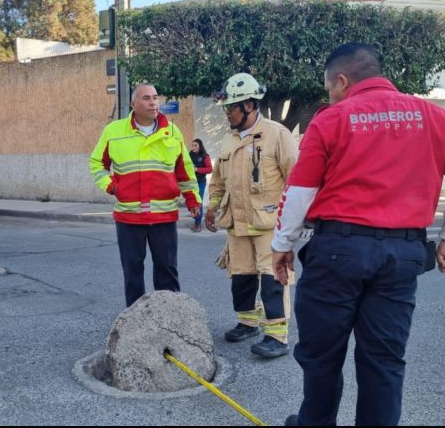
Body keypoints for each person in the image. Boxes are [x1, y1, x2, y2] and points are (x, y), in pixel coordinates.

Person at [272, 43, 445, 426]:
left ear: (342, 79)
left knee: (321, 357)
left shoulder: (332, 119)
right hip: (402, 254)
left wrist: (282, 245)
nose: (331, 96)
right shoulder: (433, 117)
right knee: (384, 360)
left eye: (330, 88)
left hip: (337, 251)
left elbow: (300, 191)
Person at [205, 73, 298, 358]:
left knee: (272, 279)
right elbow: (219, 179)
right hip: (237, 223)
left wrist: (295, 221)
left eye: (230, 108)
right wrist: (212, 206)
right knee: (241, 277)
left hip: (269, 224)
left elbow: (296, 179)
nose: (226, 113)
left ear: (248, 105)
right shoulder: (229, 139)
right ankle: (248, 322)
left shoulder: (277, 135)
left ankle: (277, 335)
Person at [89, 83, 201, 308]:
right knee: (133, 272)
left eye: (156, 98)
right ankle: (136, 323)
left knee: (167, 271)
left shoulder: (171, 130)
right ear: (133, 104)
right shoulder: (114, 131)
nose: (153, 102)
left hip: (164, 216)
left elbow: (184, 170)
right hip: (129, 217)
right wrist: (113, 187)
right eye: (147, 98)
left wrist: (192, 198)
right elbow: (97, 164)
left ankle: (169, 321)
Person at [189, 138, 212, 232]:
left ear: (200, 146)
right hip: (191, 182)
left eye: (196, 145)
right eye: (192, 145)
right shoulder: (189, 155)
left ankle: (198, 223)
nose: (193, 147)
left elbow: (209, 169)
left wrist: (198, 170)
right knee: (192, 202)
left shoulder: (205, 156)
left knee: (199, 202)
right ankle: (196, 219)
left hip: (201, 182)